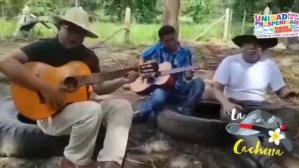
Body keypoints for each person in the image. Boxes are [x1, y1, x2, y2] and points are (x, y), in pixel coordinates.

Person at [0, 7, 139, 168]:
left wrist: (122, 80)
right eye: (71, 29)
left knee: (122, 106)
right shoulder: (43, 47)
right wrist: (45, 88)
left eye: (81, 32)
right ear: (61, 27)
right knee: (92, 109)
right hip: (48, 114)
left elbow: (99, 88)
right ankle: (73, 162)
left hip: (79, 112)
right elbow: (6, 63)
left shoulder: (88, 57)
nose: (76, 35)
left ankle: (111, 161)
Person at [212, 34, 299, 168]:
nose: (252, 47)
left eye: (257, 44)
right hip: (236, 107)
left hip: (259, 111)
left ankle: (269, 143)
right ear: (242, 46)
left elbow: (281, 91)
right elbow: (217, 88)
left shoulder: (269, 65)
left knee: (291, 115)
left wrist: (292, 94)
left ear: (263, 48)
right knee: (233, 115)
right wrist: (226, 103)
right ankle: (266, 161)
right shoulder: (230, 62)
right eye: (248, 43)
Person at [134, 25, 205, 121]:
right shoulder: (158, 48)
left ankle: (185, 111)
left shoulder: (185, 51)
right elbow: (142, 56)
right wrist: (143, 71)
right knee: (158, 98)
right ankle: (141, 114)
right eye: (167, 41)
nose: (171, 43)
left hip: (179, 89)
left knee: (199, 83)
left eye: (173, 39)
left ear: (176, 36)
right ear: (161, 41)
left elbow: (188, 77)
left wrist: (189, 74)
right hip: (162, 89)